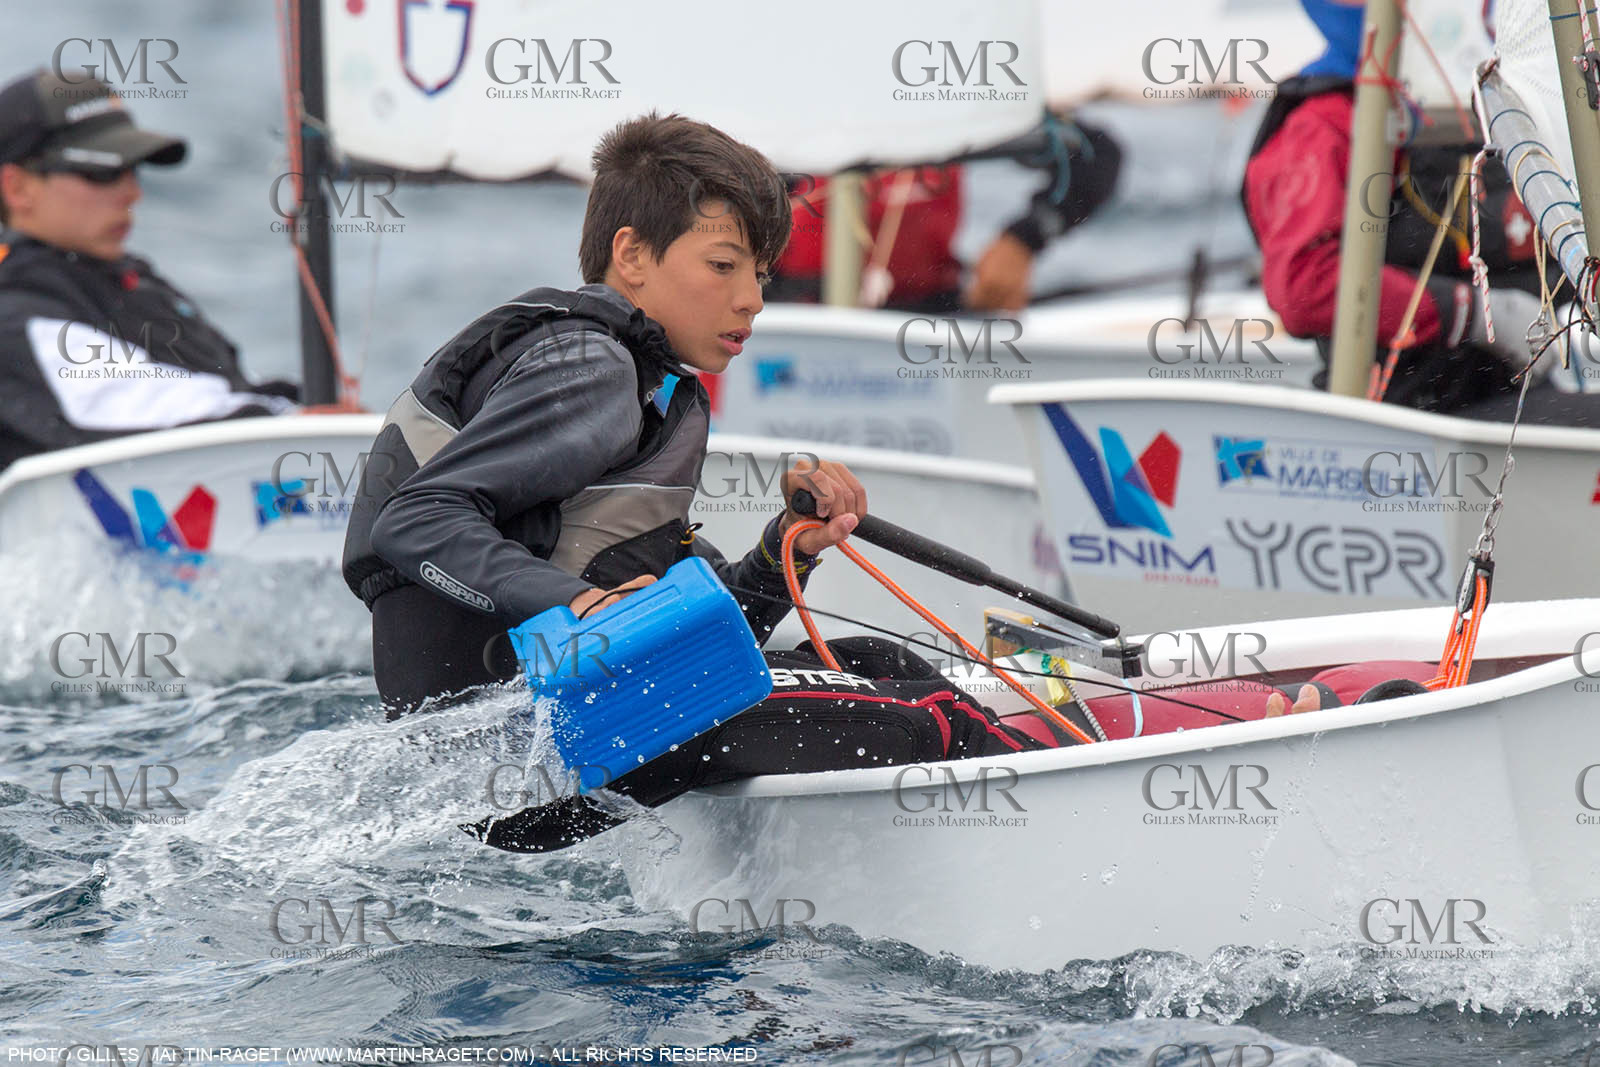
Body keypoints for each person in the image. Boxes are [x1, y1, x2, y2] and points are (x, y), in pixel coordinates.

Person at [340, 112, 1051, 845]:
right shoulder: (593, 371)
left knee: (873, 660)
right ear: (633, 254)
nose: (753, 298)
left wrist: (788, 551)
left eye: (761, 273)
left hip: (571, 734)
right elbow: (415, 521)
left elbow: (707, 639)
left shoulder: (637, 382)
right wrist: (582, 603)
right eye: (724, 266)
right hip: (530, 760)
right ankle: (1070, 819)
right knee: (939, 719)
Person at [1242, 0, 1555, 416]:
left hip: (1508, 388)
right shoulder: (1323, 123)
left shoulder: (1463, 111)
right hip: (1414, 414)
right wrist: (1474, 313)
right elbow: (1303, 285)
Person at [0, 69, 298, 471]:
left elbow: (230, 390)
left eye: (133, 170)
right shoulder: (12, 310)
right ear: (17, 188)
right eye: (102, 172)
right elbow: (135, 406)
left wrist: (308, 408)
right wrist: (294, 424)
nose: (132, 193)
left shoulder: (133, 282)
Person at [765, 114, 1122, 313]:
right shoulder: (783, 118)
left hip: (933, 323)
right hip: (797, 325)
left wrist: (1023, 241)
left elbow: (1096, 155)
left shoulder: (948, 100)